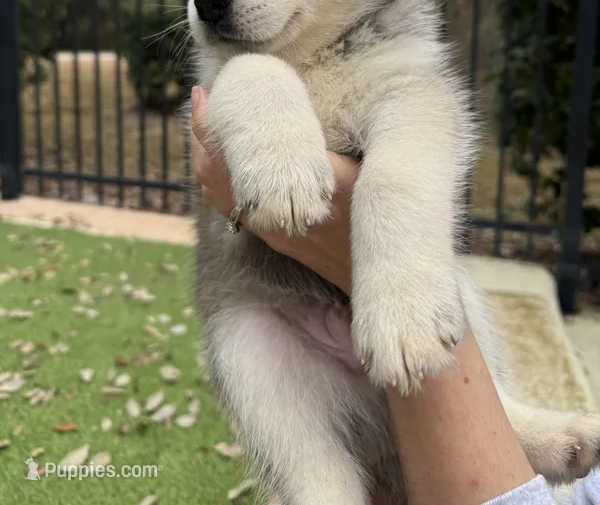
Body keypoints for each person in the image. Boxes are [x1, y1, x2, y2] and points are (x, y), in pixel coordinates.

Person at [190, 86, 600, 505]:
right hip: (287, 333)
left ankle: (507, 417)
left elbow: (421, 108)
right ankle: (320, 486)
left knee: (437, 274)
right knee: (242, 328)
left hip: (387, 330)